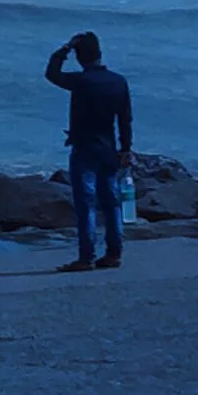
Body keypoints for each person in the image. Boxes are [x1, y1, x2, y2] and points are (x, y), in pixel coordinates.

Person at [43, 33, 132, 272]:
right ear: (100, 53)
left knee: (86, 204)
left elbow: (51, 74)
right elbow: (125, 119)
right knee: (112, 203)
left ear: (80, 58)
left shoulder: (82, 82)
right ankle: (114, 253)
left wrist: (64, 49)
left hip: (84, 148)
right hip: (109, 148)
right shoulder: (118, 82)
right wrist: (126, 148)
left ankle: (86, 256)